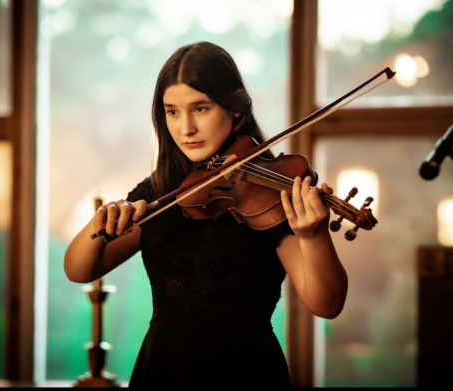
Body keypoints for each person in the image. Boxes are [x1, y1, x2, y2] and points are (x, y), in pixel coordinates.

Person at [64, 41, 347, 387]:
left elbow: (327, 303)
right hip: (165, 367)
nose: (186, 128)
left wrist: (315, 236)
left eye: (200, 108)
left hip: (247, 369)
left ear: (237, 108)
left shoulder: (272, 194)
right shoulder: (160, 191)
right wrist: (102, 222)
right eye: (172, 111)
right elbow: (79, 269)